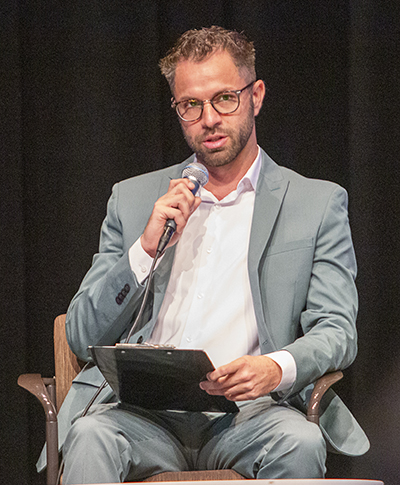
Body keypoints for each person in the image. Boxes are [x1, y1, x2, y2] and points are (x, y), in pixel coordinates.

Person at [45, 26, 369, 483]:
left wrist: (274, 368)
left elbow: (337, 330)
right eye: (191, 105)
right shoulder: (134, 199)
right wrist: (144, 249)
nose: (209, 118)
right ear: (177, 109)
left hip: (252, 415)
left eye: (224, 98)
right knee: (90, 436)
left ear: (255, 96)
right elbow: (81, 334)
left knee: (301, 441)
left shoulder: (316, 204)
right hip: (141, 417)